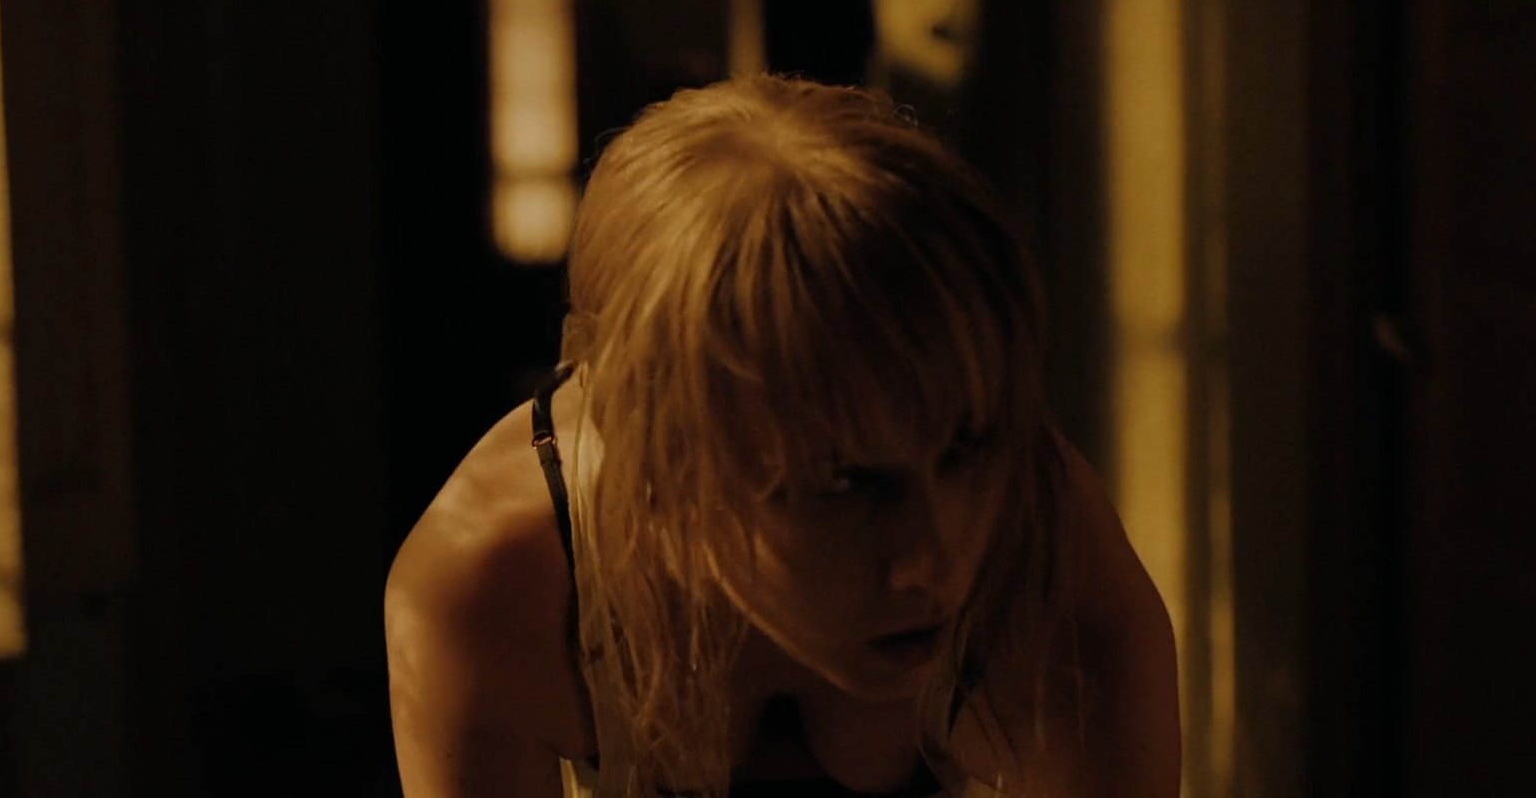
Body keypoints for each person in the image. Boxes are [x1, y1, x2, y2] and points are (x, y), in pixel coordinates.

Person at [384, 74, 1179, 797]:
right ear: (663, 457)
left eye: (963, 446)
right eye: (844, 482)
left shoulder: (1036, 547)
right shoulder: (498, 585)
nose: (933, 559)